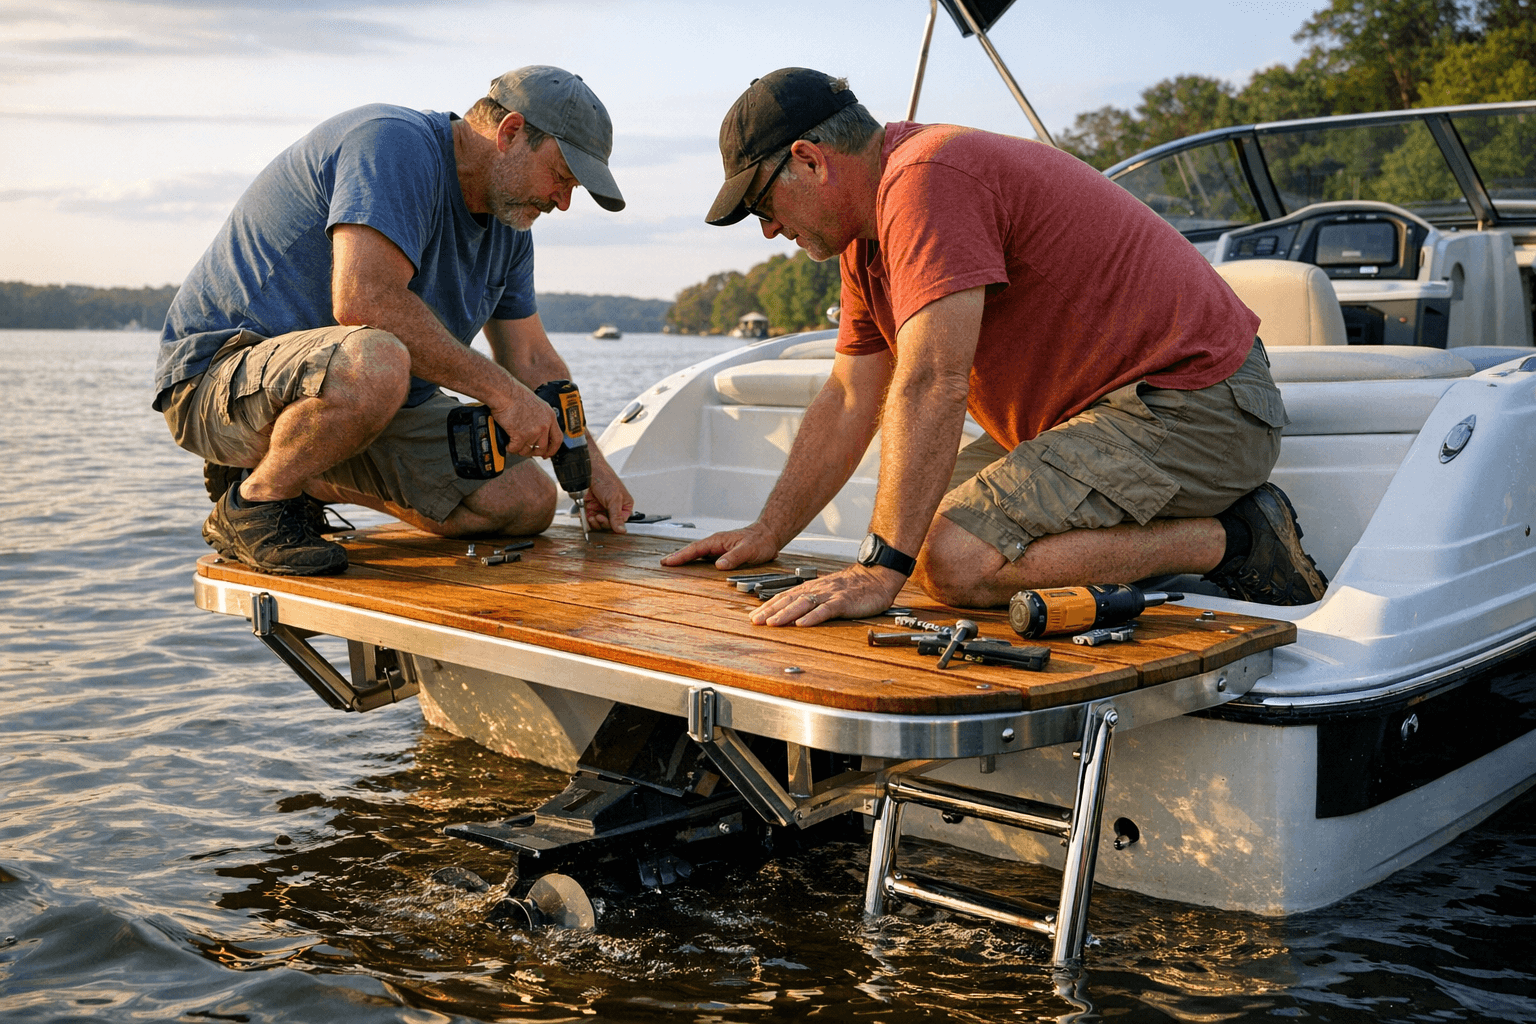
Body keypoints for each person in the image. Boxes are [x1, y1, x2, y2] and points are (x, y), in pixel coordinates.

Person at [663, 67, 1327, 625]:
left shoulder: (926, 178)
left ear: (809, 160)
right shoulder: (867, 241)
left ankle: (1238, 539)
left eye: (759, 202)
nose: (768, 229)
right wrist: (768, 533)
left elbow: (932, 381)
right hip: (1110, 416)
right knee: (912, 530)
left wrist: (877, 570)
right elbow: (849, 397)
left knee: (953, 561)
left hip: (1197, 407)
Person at [155, 66, 635, 576]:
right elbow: (363, 301)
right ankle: (255, 502)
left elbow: (531, 357)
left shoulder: (511, 226)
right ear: (511, 132)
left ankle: (297, 468)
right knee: (377, 357)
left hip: (362, 398)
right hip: (218, 380)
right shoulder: (392, 144)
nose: (562, 201)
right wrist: (507, 395)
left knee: (525, 503)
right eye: (561, 177)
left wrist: (595, 471)